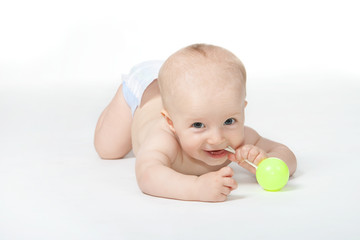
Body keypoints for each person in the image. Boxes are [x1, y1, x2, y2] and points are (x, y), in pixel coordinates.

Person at [94, 43, 297, 202]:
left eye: (229, 120)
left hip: (184, 86)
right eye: (198, 125)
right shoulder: (164, 139)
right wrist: (196, 187)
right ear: (171, 122)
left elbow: (287, 155)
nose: (217, 138)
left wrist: (265, 160)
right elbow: (147, 175)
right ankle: (122, 94)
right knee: (108, 150)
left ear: (242, 110)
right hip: (143, 90)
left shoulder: (241, 139)